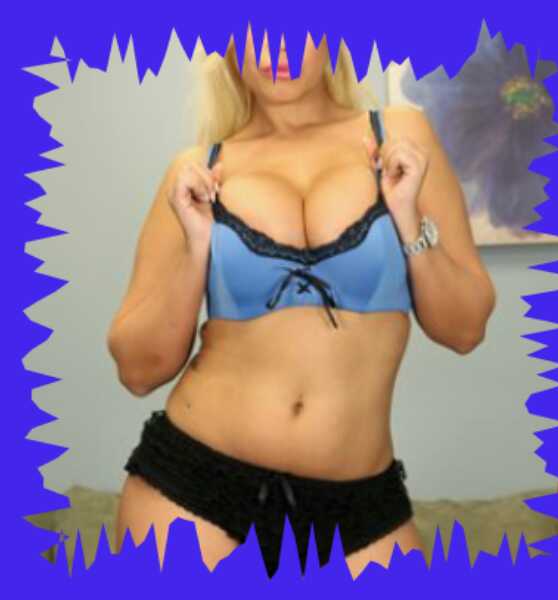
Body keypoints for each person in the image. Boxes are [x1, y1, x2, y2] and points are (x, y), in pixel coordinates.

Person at [108, 29, 496, 579]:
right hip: (194, 490)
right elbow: (138, 369)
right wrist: (195, 249)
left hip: (357, 505)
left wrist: (408, 220)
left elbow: (465, 328)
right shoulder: (198, 169)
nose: (277, 49)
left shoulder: (399, 135)